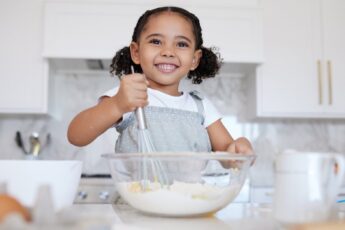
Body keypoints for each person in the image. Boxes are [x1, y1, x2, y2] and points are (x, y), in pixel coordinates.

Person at [67, 6, 253, 155]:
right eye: (156, 41)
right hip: (137, 201)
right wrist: (117, 105)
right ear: (136, 52)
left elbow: (229, 153)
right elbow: (76, 136)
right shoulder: (127, 95)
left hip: (189, 201)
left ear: (194, 59)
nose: (168, 51)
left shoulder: (201, 106)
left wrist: (239, 147)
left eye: (181, 44)